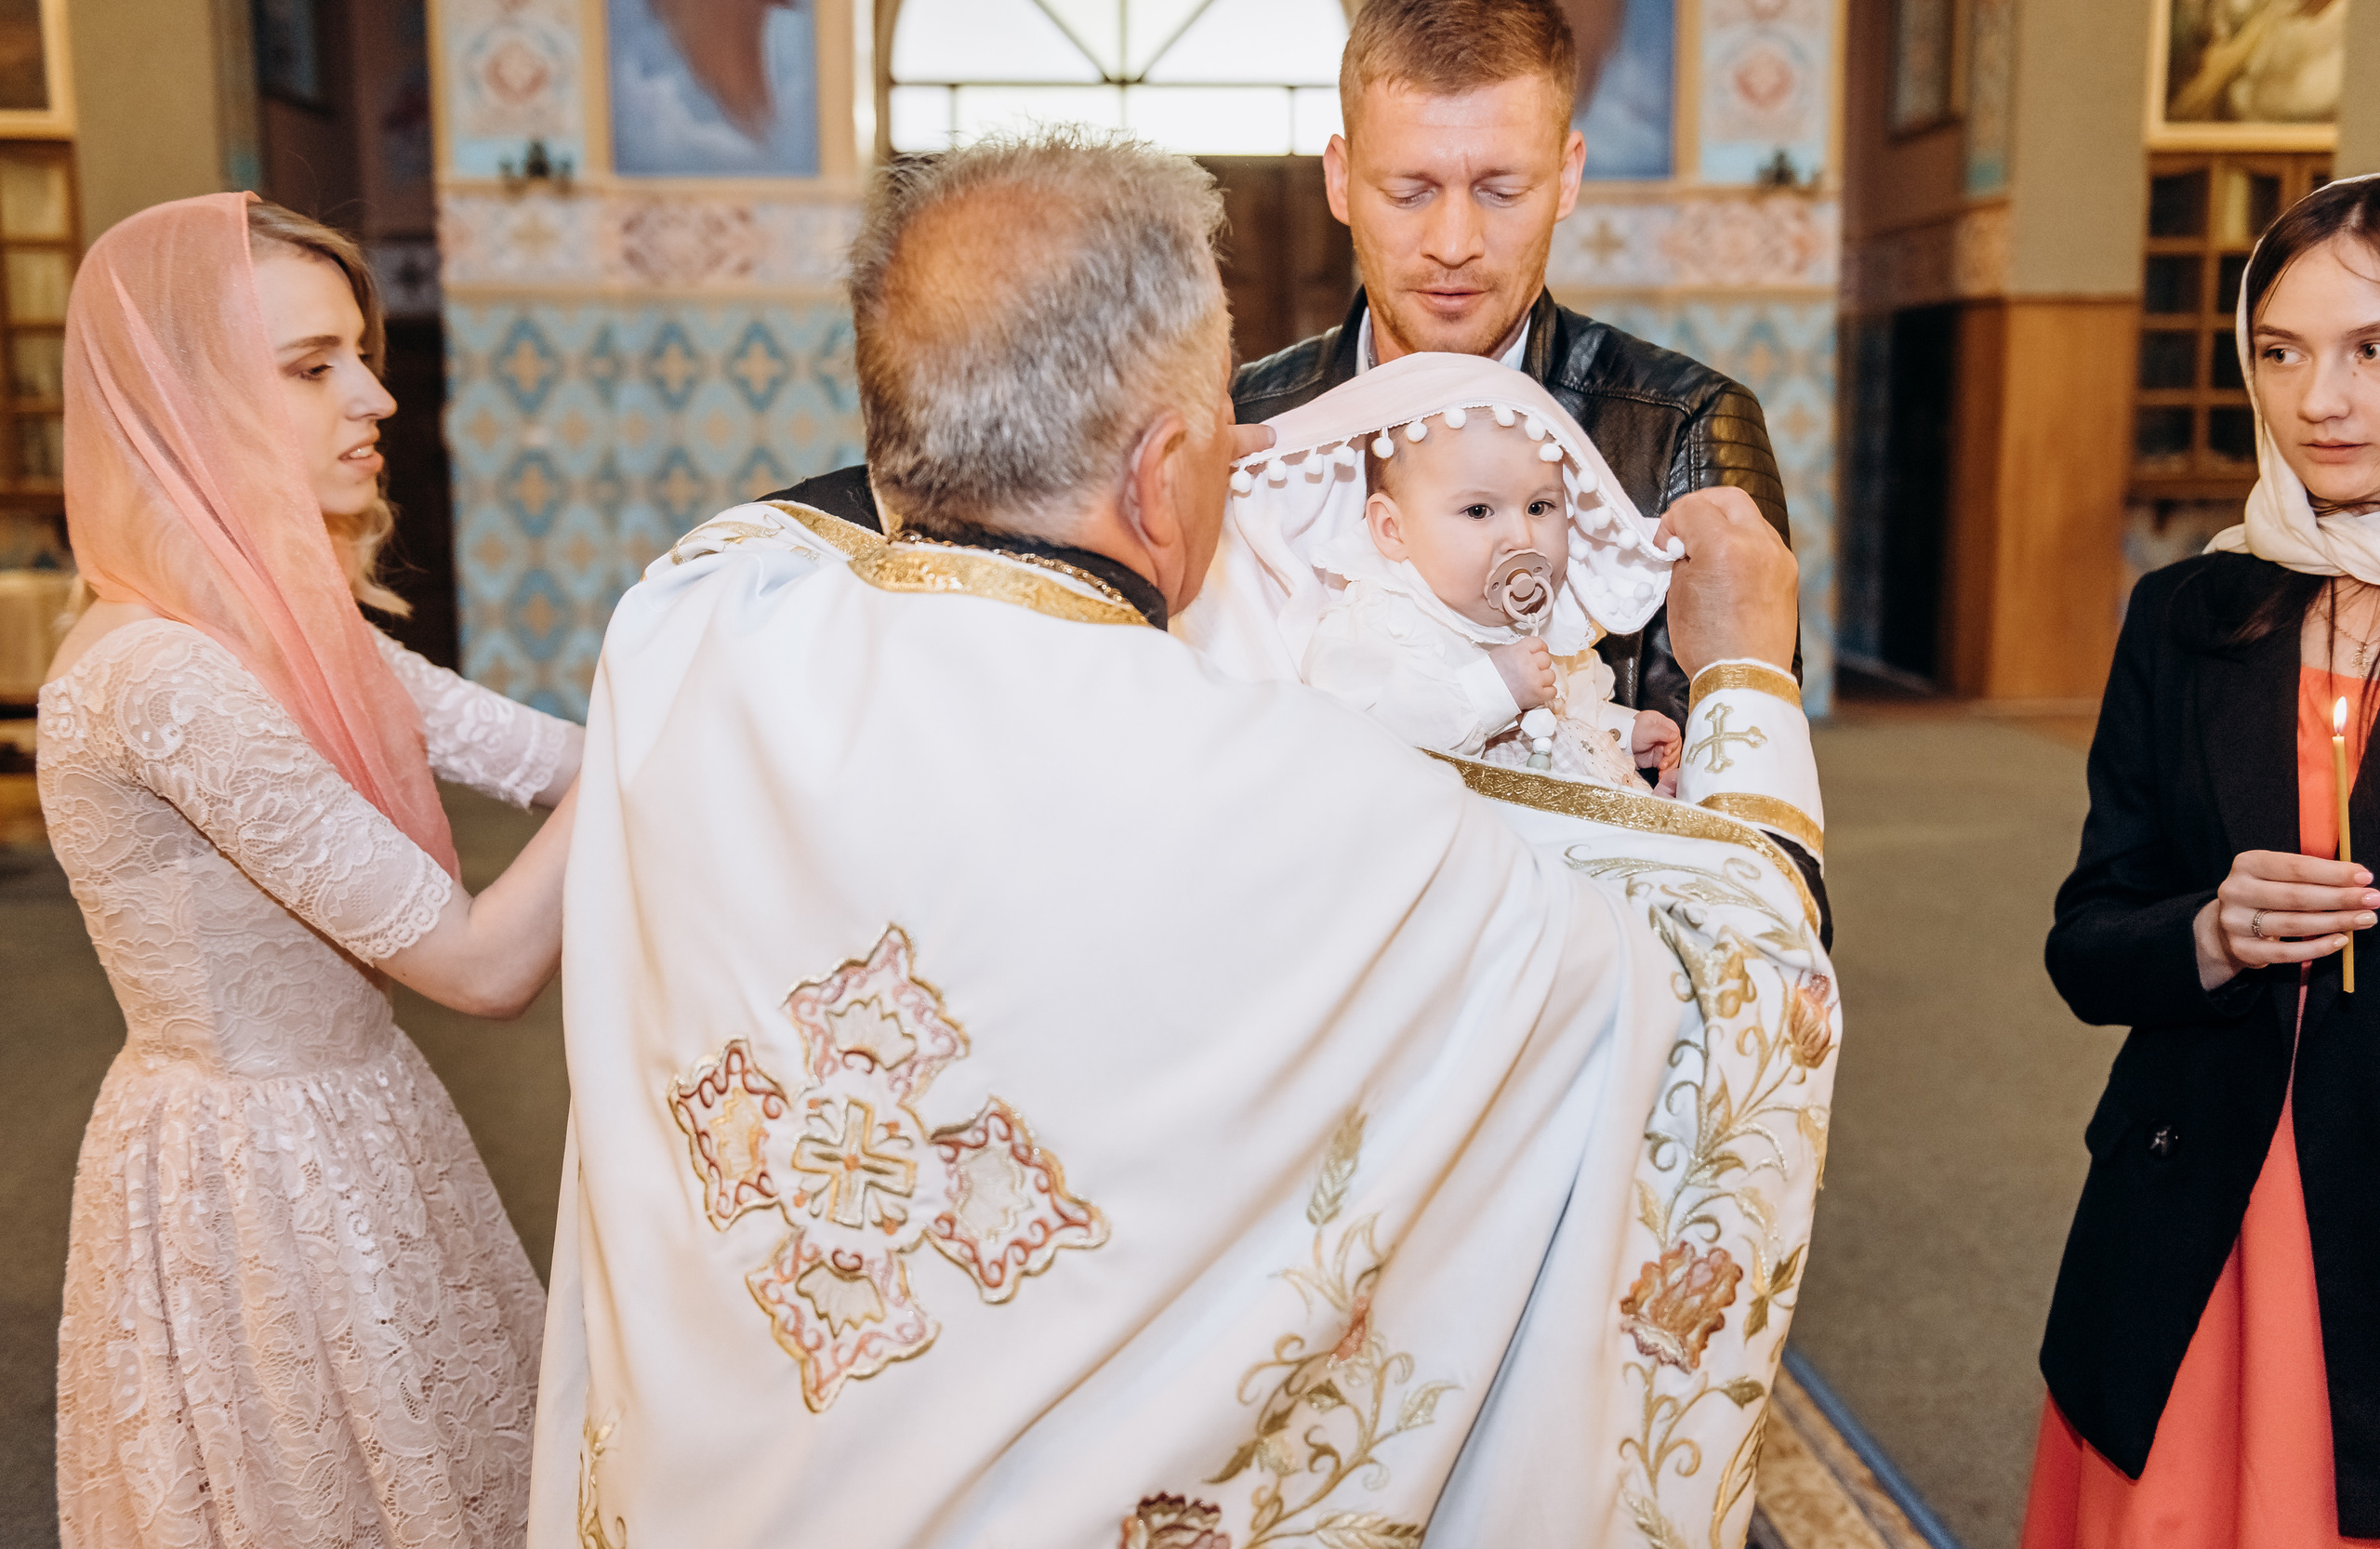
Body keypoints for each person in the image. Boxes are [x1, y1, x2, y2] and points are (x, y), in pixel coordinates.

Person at [528, 130, 1833, 1549]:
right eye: (1216, 418)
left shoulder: (699, 631)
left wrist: (1086, 420)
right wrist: (1746, 675)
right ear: (1162, 475)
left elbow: (801, 518)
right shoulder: (1318, 804)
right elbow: (1734, 998)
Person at [44, 194, 583, 1549]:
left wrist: (664, 721)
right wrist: (679, 698)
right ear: (183, 403)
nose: (374, 396)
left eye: (356, 352)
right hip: (259, 1166)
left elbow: (555, 762)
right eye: (310, 367)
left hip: (359, 1116)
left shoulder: (297, 634)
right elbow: (478, 962)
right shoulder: (168, 675)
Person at [2022, 174, 2380, 1544]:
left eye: (2369, 349)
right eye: (2281, 352)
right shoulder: (2187, 612)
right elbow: (2086, 937)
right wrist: (2209, 935)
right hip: (2194, 1227)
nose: (2320, 401)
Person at [1231, 0, 1794, 740]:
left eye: (1501, 191)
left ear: (1566, 180)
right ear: (1341, 180)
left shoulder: (1686, 428)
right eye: (1410, 192)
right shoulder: (1244, 426)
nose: (1455, 245)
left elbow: (1733, 799)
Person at [1259, 353, 1683, 790]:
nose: (1521, 537)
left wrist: (1625, 734)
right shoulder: (1378, 626)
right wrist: (1493, 690)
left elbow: (1569, 718)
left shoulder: (1550, 627)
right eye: (1478, 511)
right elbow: (1367, 740)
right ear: (1392, 529)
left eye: (1540, 507)